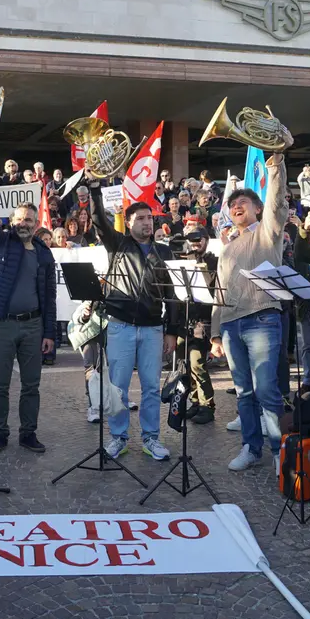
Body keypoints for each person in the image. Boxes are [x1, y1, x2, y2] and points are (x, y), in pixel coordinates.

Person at [87, 175, 178, 462]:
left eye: (149, 218)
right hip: (120, 326)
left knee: (152, 387)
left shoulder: (164, 251)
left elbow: (172, 294)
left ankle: (151, 438)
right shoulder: (118, 244)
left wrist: (172, 330)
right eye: (140, 218)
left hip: (152, 329)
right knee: (118, 388)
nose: (147, 223)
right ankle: (119, 438)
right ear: (128, 223)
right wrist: (94, 189)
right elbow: (99, 220)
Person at [210, 152, 288, 474]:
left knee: (266, 388)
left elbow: (276, 202)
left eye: (244, 201)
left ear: (256, 208)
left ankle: (279, 449)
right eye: (232, 204)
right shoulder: (226, 248)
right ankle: (251, 447)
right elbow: (219, 290)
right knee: (243, 391)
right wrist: (215, 333)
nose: (236, 206)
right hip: (230, 325)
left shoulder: (267, 232)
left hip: (262, 318)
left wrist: (276, 166)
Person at [0, 177, 56, 454]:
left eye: (29, 220)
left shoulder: (44, 254)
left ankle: (28, 433)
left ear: (36, 224)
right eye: (19, 219)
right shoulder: (0, 242)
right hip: (2, 325)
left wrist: (49, 333)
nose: (24, 223)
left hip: (33, 326)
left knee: (31, 385)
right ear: (12, 221)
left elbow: (50, 297)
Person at [179, 226, 218, 424]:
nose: (195, 243)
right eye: (192, 240)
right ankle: (195, 402)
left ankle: (207, 405)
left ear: (206, 240)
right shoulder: (183, 262)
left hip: (203, 320)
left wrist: (198, 260)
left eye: (199, 239)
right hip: (184, 320)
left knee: (197, 364)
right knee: (186, 365)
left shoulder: (213, 262)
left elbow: (211, 290)